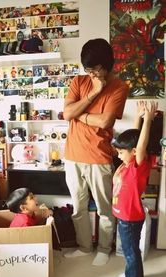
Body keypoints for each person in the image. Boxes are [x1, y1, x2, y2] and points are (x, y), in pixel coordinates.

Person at [63, 38, 129, 265]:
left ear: (106, 65)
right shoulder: (79, 82)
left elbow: (104, 121)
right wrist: (93, 93)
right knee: (78, 208)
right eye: (87, 69)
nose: (90, 73)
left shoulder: (120, 87)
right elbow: (66, 113)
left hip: (99, 157)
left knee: (104, 208)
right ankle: (84, 246)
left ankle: (103, 248)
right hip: (72, 156)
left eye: (94, 69)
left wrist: (78, 114)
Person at [112, 101, 158, 277]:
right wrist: (138, 119)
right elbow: (134, 141)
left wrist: (147, 120)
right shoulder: (128, 163)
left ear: (133, 153)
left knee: (131, 251)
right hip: (125, 216)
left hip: (130, 218)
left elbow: (139, 147)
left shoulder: (137, 167)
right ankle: (132, 273)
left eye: (121, 152)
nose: (119, 155)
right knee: (129, 251)